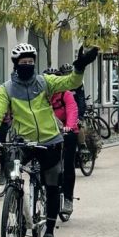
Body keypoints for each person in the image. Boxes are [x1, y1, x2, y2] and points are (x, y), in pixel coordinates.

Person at [0, 43, 98, 237]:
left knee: (52, 184)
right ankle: (15, 203)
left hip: (49, 141)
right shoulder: (6, 89)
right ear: (15, 64)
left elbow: (71, 81)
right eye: (23, 62)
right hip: (22, 142)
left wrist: (79, 67)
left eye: (30, 62)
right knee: (12, 173)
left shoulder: (45, 82)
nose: (27, 65)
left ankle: (50, 232)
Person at [50, 67, 79, 217]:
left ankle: (68, 198)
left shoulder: (66, 94)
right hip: (48, 133)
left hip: (67, 131)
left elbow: (73, 111)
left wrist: (69, 127)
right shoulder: (41, 96)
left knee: (68, 165)